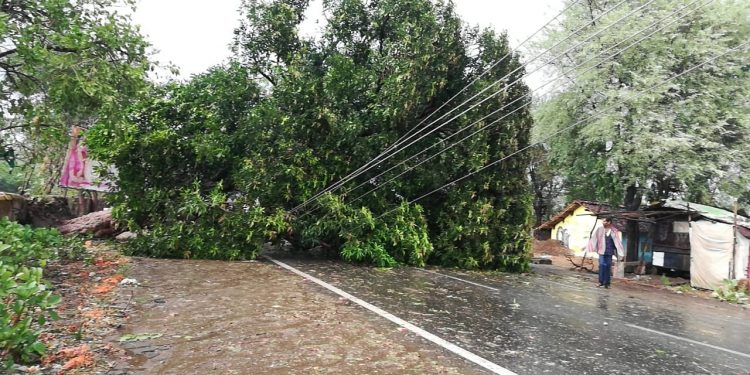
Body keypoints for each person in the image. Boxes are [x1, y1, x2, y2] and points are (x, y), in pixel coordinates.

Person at [587, 217, 625, 289]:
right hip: (601, 251)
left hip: (609, 252)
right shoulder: (599, 230)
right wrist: (590, 248)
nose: (603, 222)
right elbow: (594, 239)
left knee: (608, 267)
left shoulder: (614, 231)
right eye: (603, 221)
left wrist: (621, 253)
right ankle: (600, 282)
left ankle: (607, 284)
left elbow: (617, 242)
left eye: (604, 221)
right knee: (602, 265)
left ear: (609, 222)